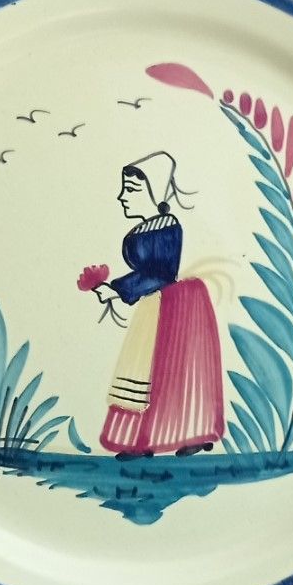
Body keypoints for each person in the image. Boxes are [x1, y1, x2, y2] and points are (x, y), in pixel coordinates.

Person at [92, 152, 224, 457]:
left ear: (154, 193)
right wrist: (117, 289)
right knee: (150, 371)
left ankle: (183, 435)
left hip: (174, 305)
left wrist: (118, 289)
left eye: (131, 189)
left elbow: (161, 273)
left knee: (167, 370)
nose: (122, 197)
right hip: (156, 302)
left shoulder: (166, 228)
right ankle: (144, 440)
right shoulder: (151, 227)